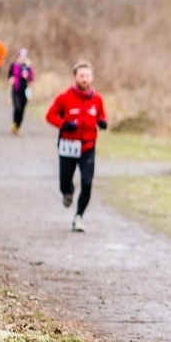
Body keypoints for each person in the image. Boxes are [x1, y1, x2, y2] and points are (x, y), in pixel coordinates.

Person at [45, 60, 107, 232]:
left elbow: (101, 115)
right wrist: (64, 124)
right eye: (81, 76)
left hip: (88, 147)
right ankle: (68, 191)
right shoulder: (64, 97)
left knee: (87, 183)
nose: (85, 79)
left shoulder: (97, 99)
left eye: (88, 75)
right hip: (68, 145)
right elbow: (50, 116)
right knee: (64, 184)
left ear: (92, 77)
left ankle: (78, 217)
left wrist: (102, 122)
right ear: (75, 77)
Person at [8, 48, 34, 135]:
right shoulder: (13, 65)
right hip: (16, 90)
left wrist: (27, 75)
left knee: (22, 110)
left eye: (24, 56)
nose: (23, 58)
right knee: (17, 108)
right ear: (18, 56)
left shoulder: (28, 67)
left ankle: (18, 127)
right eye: (21, 56)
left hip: (24, 91)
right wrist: (11, 79)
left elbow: (32, 78)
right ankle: (14, 123)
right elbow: (9, 75)